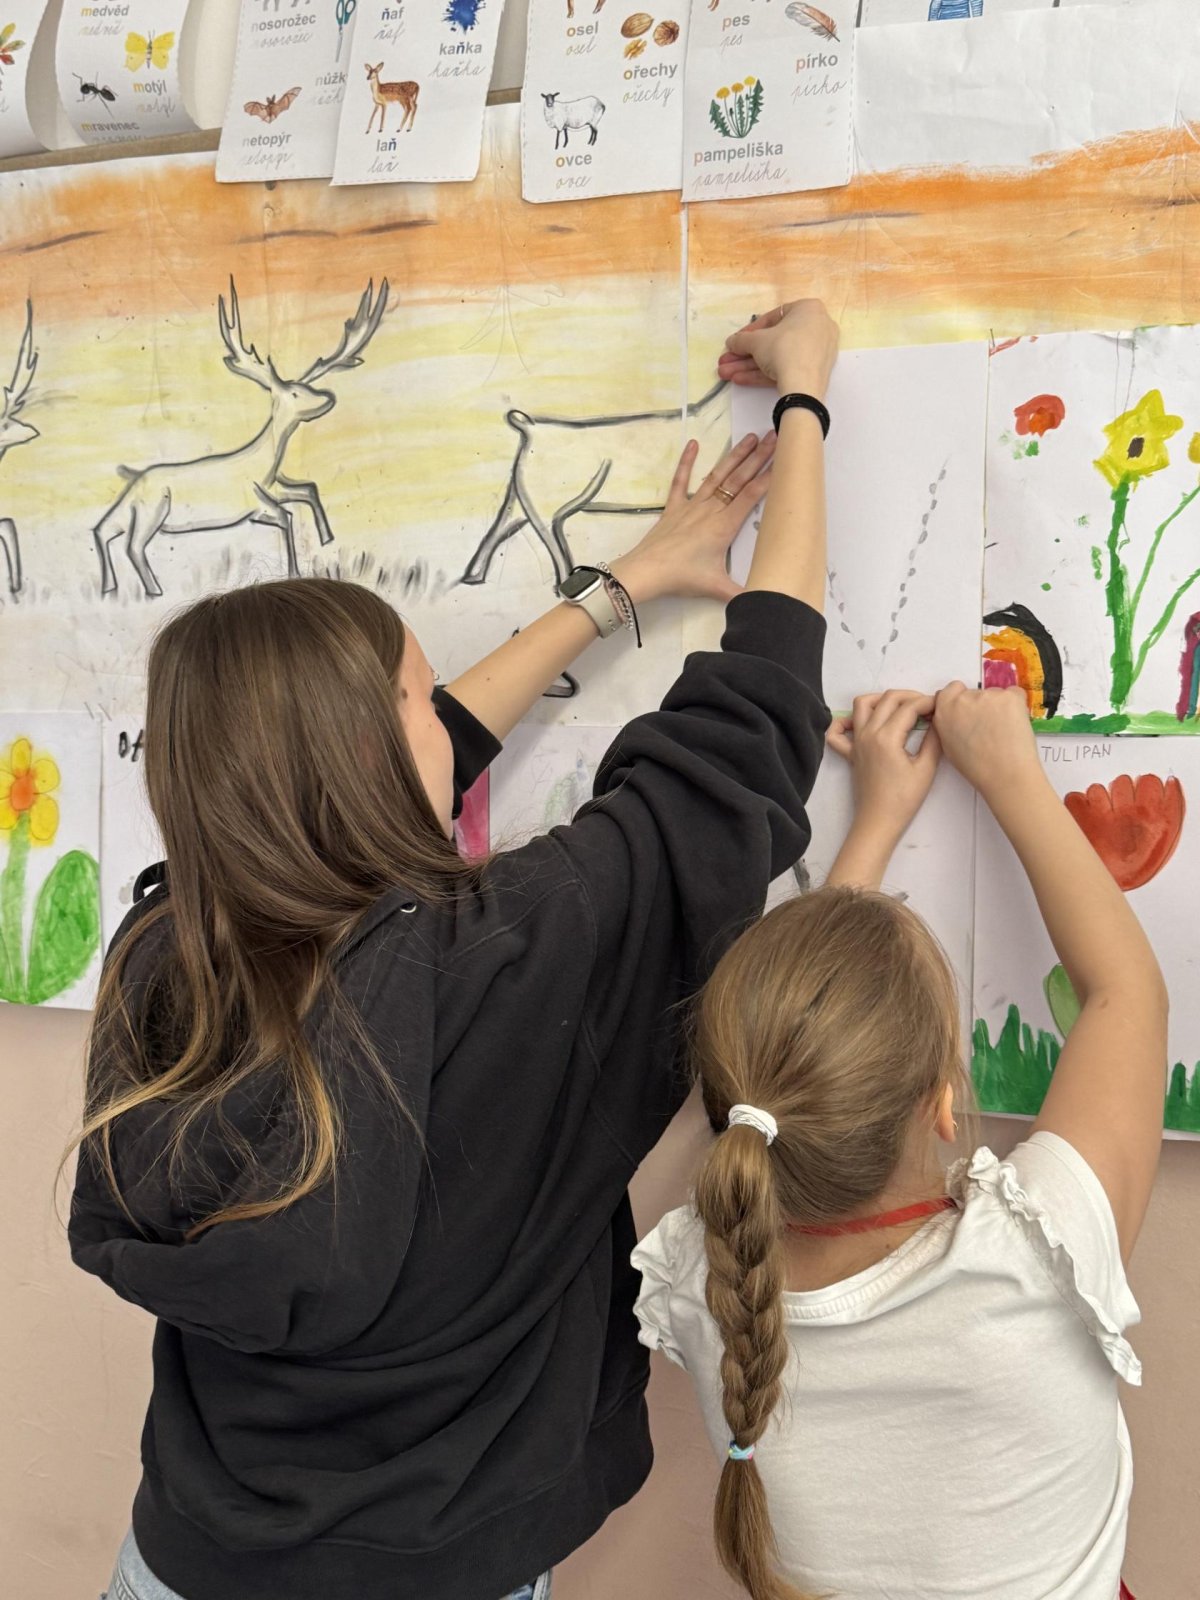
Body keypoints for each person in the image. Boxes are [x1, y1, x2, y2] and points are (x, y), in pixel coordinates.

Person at [68, 301, 839, 1600]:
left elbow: (377, 777)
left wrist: (626, 583)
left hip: (184, 1562)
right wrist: (805, 398)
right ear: (380, 750)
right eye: (419, 698)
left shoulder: (161, 962)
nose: (445, 712)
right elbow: (753, 724)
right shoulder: (525, 948)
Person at [634, 682, 1165, 1600]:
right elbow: (1126, 993)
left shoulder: (702, 1276)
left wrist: (876, 817)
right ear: (945, 1105)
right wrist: (1012, 775)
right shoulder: (1038, 1253)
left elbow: (797, 1064)